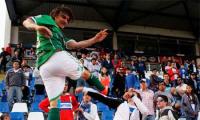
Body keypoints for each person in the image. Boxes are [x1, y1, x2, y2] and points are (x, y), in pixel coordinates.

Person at [23, 6, 108, 120]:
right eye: (63, 17)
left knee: (54, 104)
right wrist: (37, 27)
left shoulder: (62, 37)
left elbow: (77, 45)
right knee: (85, 73)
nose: (66, 21)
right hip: (55, 56)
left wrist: (95, 39)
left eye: (68, 19)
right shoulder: (48, 19)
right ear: (55, 16)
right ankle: (104, 90)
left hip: (44, 67)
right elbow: (27, 21)